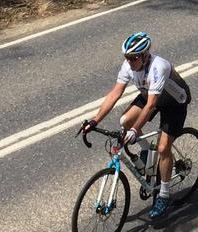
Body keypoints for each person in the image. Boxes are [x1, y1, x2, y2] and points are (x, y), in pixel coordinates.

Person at [80, 32, 191, 220]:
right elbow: (115, 93)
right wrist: (95, 120)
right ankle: (147, 150)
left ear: (146, 55)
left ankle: (163, 194)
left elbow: (150, 106)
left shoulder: (158, 67)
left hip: (173, 103)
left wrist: (133, 132)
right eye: (127, 58)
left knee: (164, 147)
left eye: (134, 58)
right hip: (150, 95)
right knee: (125, 121)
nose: (130, 62)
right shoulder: (128, 66)